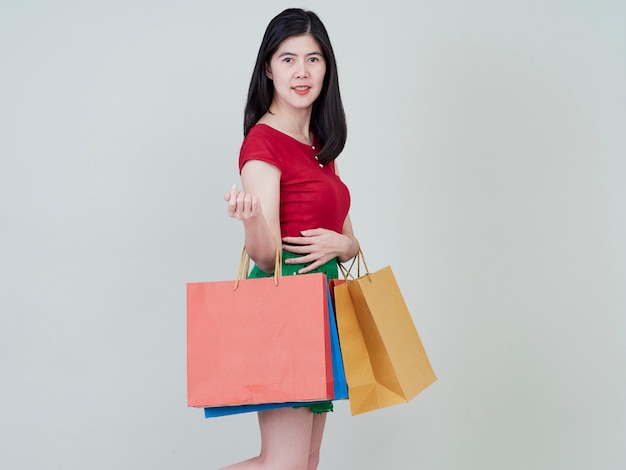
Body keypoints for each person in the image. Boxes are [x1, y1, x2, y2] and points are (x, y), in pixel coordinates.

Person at [221, 8, 359, 470]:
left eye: (313, 59)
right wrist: (249, 222)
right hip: (285, 313)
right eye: (288, 59)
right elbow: (265, 255)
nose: (302, 72)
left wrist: (343, 247)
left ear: (327, 67)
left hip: (322, 310)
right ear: (268, 67)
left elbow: (348, 238)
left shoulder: (321, 143)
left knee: (307, 460)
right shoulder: (264, 142)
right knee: (282, 464)